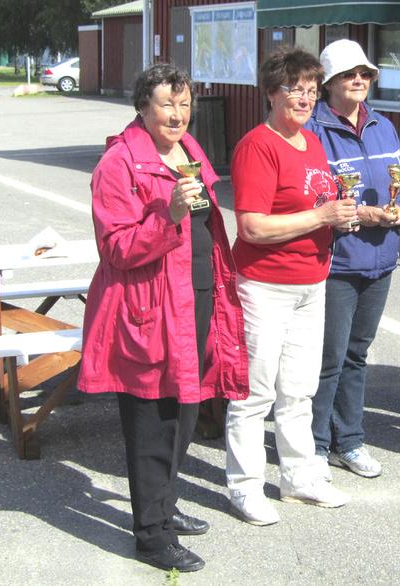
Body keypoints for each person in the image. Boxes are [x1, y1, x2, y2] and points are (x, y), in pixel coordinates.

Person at [78, 63, 249, 573]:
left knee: (187, 414)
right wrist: (167, 215)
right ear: (141, 106)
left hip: (194, 300)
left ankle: (165, 508)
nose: (178, 115)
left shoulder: (189, 150)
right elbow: (116, 248)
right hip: (147, 311)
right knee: (153, 424)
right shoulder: (118, 163)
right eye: (167, 104)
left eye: (185, 104)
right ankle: (151, 536)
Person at [225, 47, 357, 525]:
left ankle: (298, 477)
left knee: (299, 390)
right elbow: (252, 227)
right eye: (294, 90)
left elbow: (317, 206)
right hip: (264, 285)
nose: (305, 99)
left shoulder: (311, 142)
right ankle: (244, 486)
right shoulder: (258, 146)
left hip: (311, 281)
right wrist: (321, 216)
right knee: (254, 393)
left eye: (311, 91)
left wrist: (340, 217)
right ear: (271, 93)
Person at [305, 39, 400, 480]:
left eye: (365, 73)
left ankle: (348, 441)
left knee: (357, 355)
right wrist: (357, 214)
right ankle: (314, 447)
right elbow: (308, 196)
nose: (358, 80)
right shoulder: (312, 130)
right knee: (327, 359)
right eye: (349, 74)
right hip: (336, 262)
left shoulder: (383, 126)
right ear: (328, 82)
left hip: (380, 259)